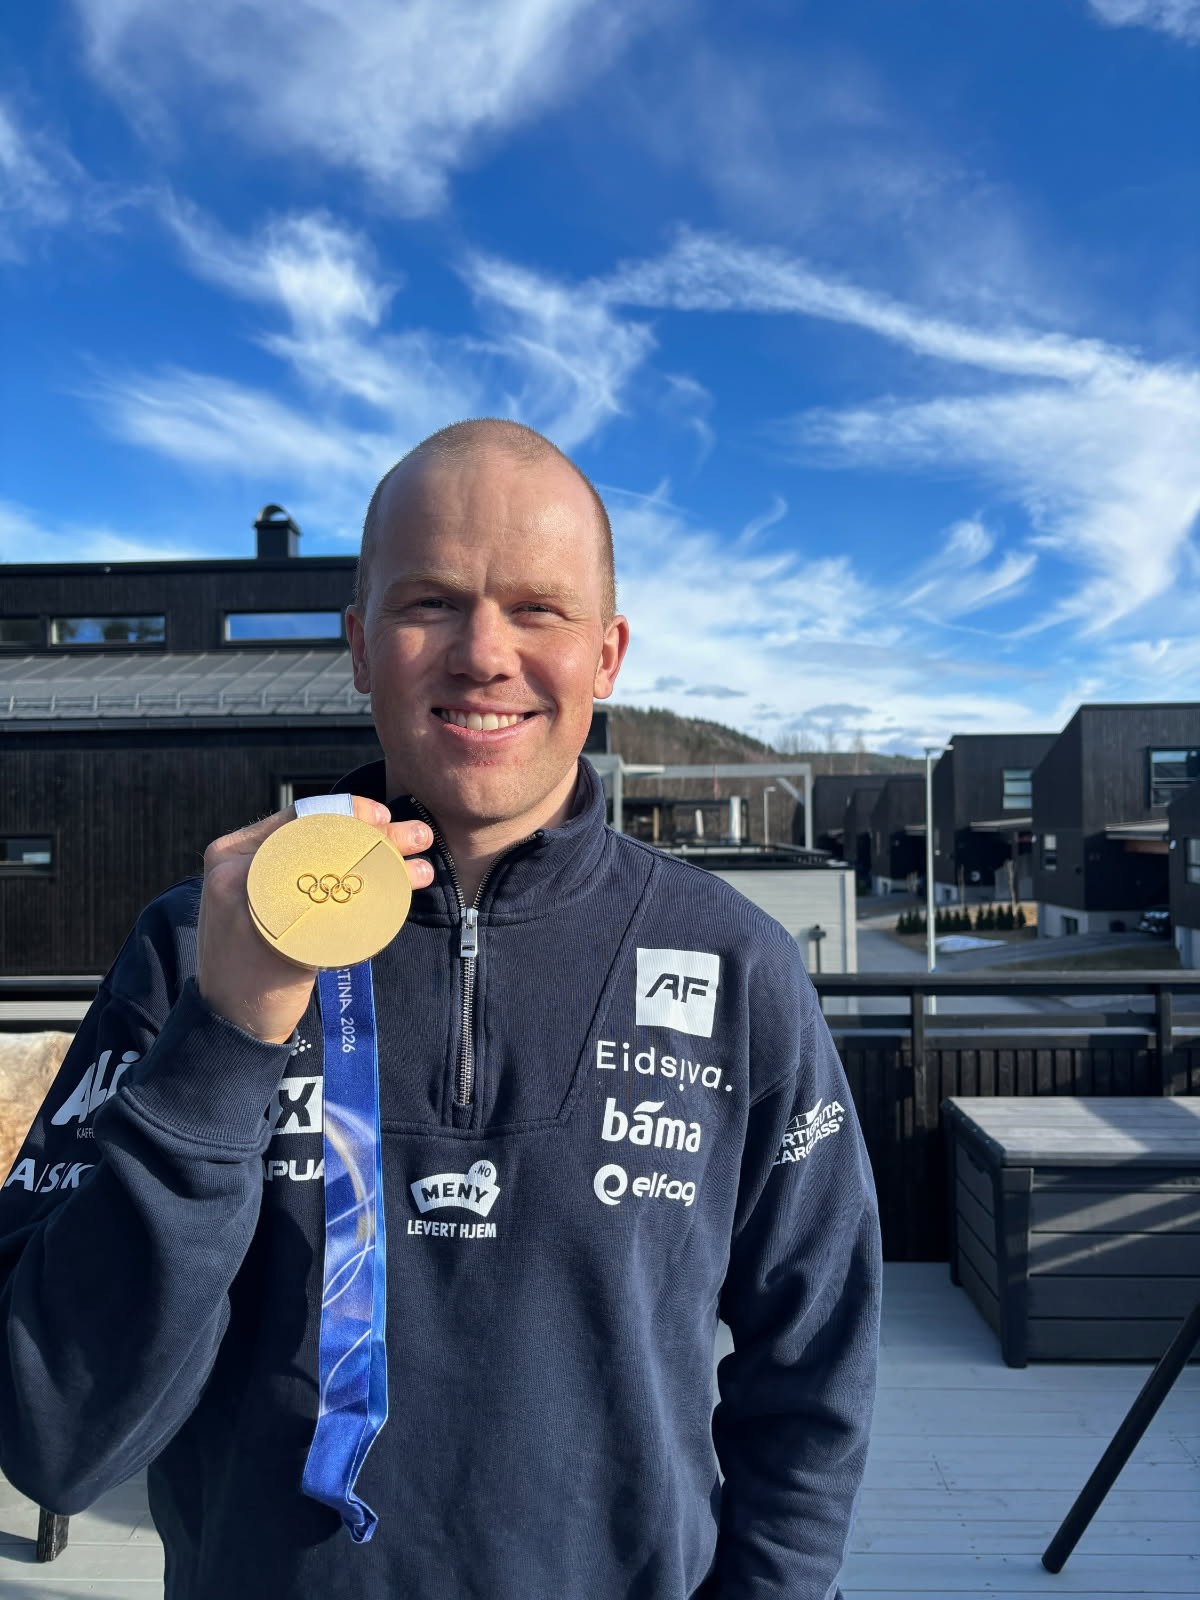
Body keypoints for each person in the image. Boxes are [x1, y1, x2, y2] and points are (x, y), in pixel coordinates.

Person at [0, 420, 881, 1599]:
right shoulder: (189, 950)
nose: (482, 653)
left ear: (608, 654)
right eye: (429, 604)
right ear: (360, 646)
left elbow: (816, 1376)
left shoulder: (739, 967)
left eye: (538, 608)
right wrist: (226, 1034)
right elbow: (57, 1437)